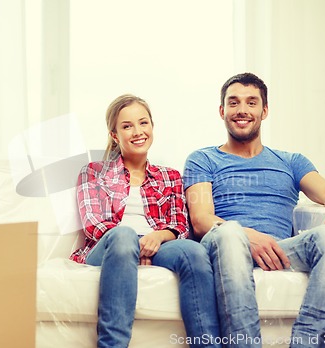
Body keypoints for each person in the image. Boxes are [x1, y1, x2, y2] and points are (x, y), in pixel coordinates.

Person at [183, 73, 325, 347]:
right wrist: (247, 236)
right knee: (230, 235)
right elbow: (201, 219)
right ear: (222, 111)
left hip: (279, 251)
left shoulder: (290, 161)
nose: (242, 110)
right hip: (226, 248)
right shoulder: (203, 159)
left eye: (251, 102)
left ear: (264, 111)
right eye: (233, 103)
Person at [70, 94, 221, 348]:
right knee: (124, 236)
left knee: (194, 251)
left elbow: (180, 225)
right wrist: (131, 245)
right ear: (115, 136)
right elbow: (93, 224)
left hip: (157, 245)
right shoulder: (94, 172)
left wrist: (157, 237)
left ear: (152, 126)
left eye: (143, 123)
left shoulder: (169, 176)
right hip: (109, 246)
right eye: (127, 126)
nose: (137, 132)